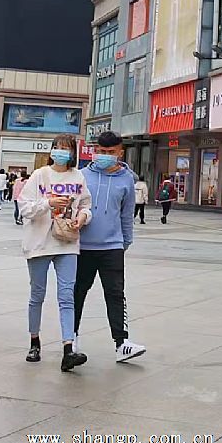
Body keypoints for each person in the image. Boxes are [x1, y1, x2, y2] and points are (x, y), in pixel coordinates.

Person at [18, 134, 92, 372]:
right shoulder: (40, 175)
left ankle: (68, 349)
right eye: (57, 148)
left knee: (67, 295)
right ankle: (34, 341)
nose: (61, 152)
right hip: (39, 243)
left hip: (67, 242)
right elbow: (24, 207)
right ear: (51, 151)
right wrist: (48, 203)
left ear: (73, 153)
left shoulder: (78, 176)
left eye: (66, 148)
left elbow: (86, 205)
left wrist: (83, 217)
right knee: (37, 295)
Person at [73, 131, 145, 363]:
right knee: (77, 293)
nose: (104, 155)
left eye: (110, 152)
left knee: (115, 293)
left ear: (120, 152)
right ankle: (71, 339)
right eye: (101, 151)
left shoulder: (127, 179)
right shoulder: (82, 175)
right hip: (82, 246)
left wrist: (125, 242)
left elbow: (127, 214)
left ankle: (122, 343)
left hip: (112, 247)